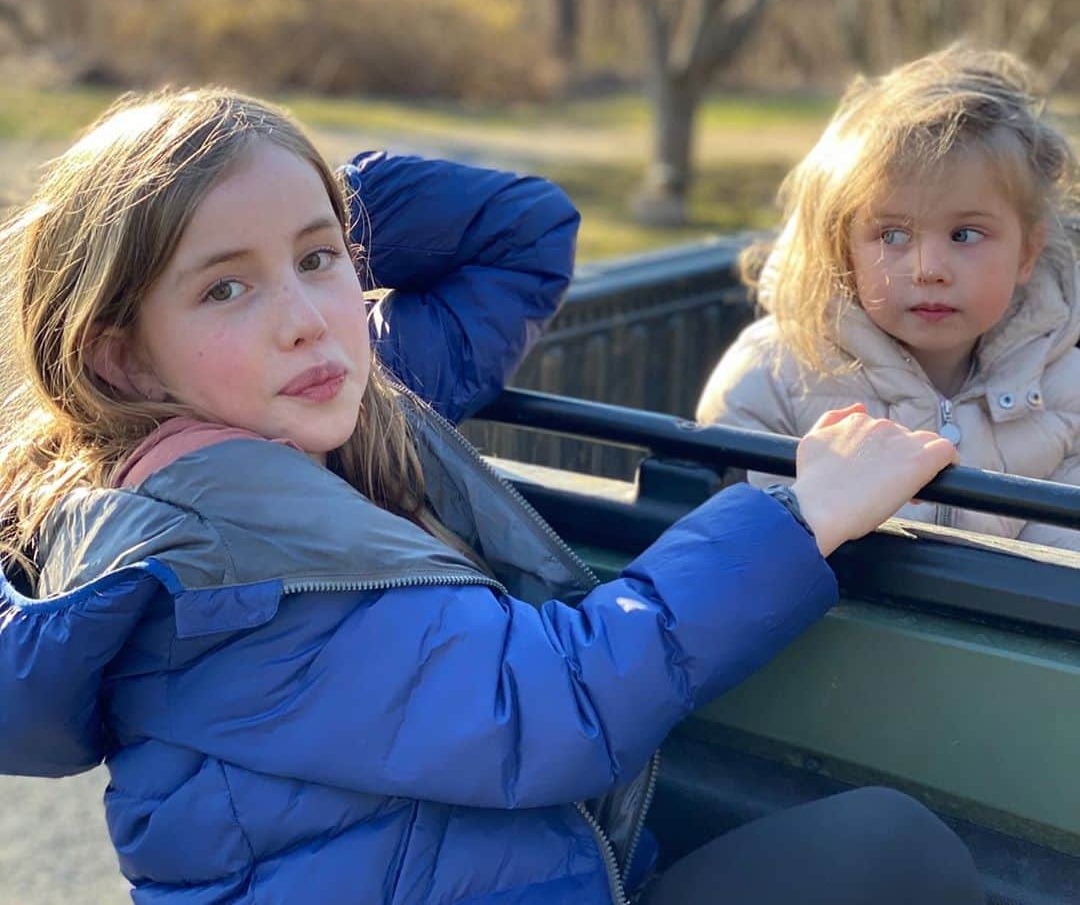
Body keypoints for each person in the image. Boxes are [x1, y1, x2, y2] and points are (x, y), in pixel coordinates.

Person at [0, 88, 982, 904]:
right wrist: (797, 514)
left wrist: (295, 182)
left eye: (317, 258)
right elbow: (547, 705)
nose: (305, 321)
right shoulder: (218, 565)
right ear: (122, 355)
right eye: (225, 287)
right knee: (891, 848)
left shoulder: (303, 413)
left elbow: (526, 235)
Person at [698, 45, 1080, 549]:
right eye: (893, 236)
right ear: (844, 247)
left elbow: (1057, 578)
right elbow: (727, 555)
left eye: (965, 235)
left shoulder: (1064, 390)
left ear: (1027, 253)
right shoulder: (773, 374)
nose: (929, 270)